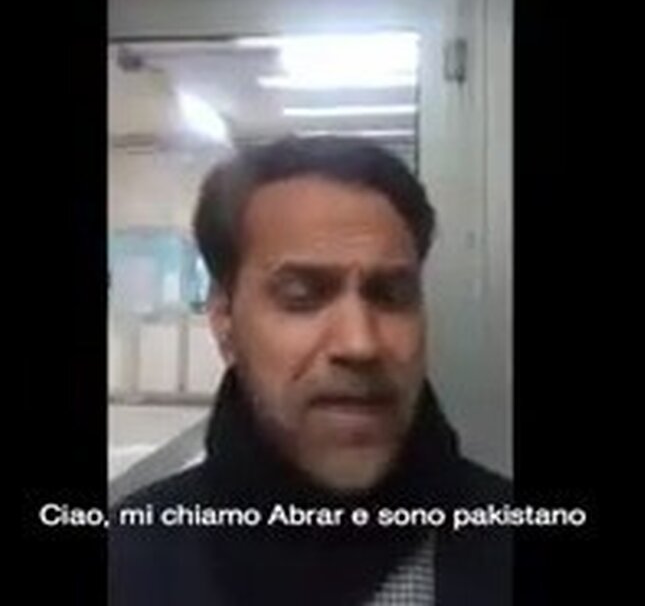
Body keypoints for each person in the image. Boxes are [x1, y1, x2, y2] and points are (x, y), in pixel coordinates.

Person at [109, 136, 527, 604]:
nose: (360, 343)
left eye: (391, 295)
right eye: (302, 296)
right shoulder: (129, 560)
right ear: (225, 319)